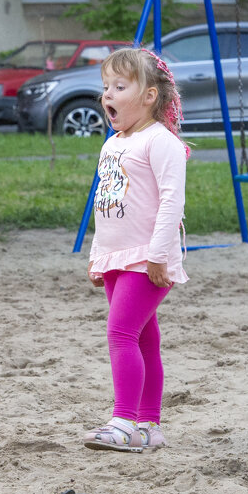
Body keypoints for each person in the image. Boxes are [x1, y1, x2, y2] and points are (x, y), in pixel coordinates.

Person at [83, 47, 189, 453]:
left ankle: (124, 421)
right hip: (116, 255)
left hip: (147, 258)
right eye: (106, 86)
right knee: (143, 338)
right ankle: (149, 426)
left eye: (120, 86)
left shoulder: (161, 142)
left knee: (120, 332)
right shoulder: (112, 143)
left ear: (149, 96)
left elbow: (171, 202)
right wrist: (98, 256)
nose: (108, 94)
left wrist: (159, 256)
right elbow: (105, 203)